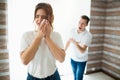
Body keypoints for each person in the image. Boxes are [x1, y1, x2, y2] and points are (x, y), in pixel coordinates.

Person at [20, 3, 66, 80]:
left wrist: (47, 37)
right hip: (33, 78)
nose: (39, 20)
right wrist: (39, 37)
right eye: (37, 16)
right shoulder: (26, 35)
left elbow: (61, 59)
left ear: (50, 18)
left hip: (53, 77)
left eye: (44, 17)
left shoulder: (56, 35)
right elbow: (25, 61)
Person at [65, 15, 92, 80]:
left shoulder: (88, 35)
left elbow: (82, 50)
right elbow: (68, 41)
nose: (80, 25)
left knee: (79, 78)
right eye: (79, 22)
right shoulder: (72, 30)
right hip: (73, 59)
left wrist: (75, 43)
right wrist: (64, 51)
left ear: (86, 25)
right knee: (75, 76)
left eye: (83, 23)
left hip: (82, 60)